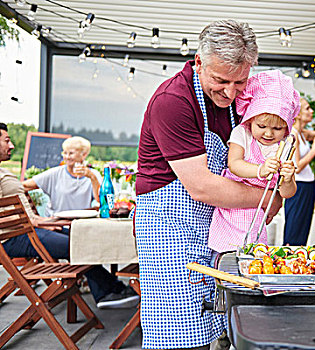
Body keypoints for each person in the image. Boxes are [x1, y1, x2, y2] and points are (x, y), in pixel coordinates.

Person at [135, 20, 282, 350]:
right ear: (198, 61)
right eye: (220, 80)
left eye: (239, 82)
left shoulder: (238, 102)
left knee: (219, 323)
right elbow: (201, 186)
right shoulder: (173, 101)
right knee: (179, 337)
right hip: (169, 231)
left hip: (217, 227)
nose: (230, 92)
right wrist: (266, 198)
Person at [0, 123, 138, 309]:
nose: (12, 145)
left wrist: (38, 221)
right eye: (6, 140)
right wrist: (33, 221)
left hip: (29, 230)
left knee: (81, 239)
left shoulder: (3, 171)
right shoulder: (55, 174)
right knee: (77, 245)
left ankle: (108, 290)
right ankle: (108, 291)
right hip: (13, 237)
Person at [208, 70, 299, 253]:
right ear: (251, 119)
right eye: (262, 126)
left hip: (257, 217)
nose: (268, 133)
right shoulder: (243, 134)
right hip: (232, 207)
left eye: (277, 128)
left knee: (252, 255)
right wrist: (261, 169)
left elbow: (287, 193)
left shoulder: (284, 147)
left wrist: (288, 179)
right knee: (226, 254)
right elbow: (234, 164)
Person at [22, 136, 102, 216]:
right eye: (65, 153)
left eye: (71, 153)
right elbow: (24, 185)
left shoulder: (93, 175)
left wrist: (92, 177)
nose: (67, 157)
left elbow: (101, 200)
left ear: (84, 155)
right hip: (56, 224)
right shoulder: (55, 173)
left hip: (80, 224)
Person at [283, 98, 315, 246]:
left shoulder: (302, 133)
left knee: (302, 229)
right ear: (298, 113)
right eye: (307, 108)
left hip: (307, 186)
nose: (311, 111)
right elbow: (297, 167)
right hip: (298, 187)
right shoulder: (294, 136)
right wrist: (314, 151)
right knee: (295, 229)